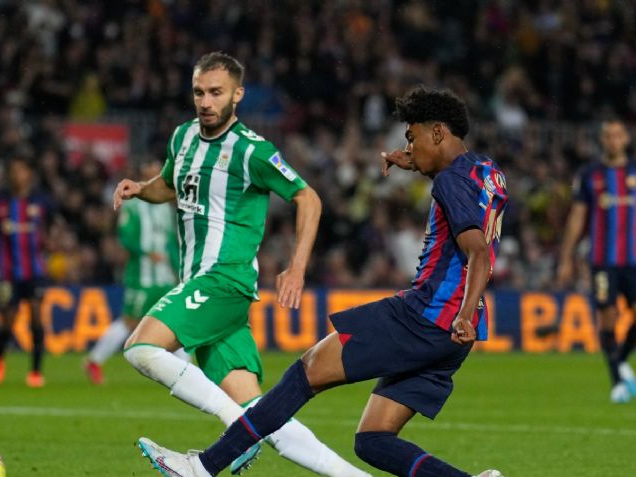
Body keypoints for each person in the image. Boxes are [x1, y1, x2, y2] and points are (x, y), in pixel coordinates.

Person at [132, 87, 507, 477]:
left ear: (438, 133)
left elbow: (477, 251)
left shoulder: (448, 183)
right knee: (373, 440)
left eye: (412, 137)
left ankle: (203, 467)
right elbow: (468, 202)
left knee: (306, 371)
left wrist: (461, 314)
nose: (408, 146)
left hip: (427, 315)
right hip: (453, 336)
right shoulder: (488, 173)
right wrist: (418, 162)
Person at [112, 52, 368, 476]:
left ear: (237, 95)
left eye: (216, 92)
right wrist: (142, 188)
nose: (206, 102)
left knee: (141, 348)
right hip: (201, 283)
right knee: (265, 414)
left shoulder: (252, 151)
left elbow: (309, 197)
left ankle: (232, 430)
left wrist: (297, 266)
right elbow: (172, 184)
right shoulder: (183, 137)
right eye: (199, 92)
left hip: (223, 279)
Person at [557, 119, 636, 403]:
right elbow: (577, 219)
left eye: (617, 135)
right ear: (602, 141)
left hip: (633, 260)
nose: (613, 140)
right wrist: (565, 258)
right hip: (602, 261)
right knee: (608, 319)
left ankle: (621, 361)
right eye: (608, 136)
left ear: (625, 138)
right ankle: (616, 382)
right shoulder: (590, 174)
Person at [84, 161, 181, 385]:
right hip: (141, 275)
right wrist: (147, 253)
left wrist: (179, 270)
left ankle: (185, 372)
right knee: (130, 322)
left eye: (158, 171)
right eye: (150, 172)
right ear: (143, 176)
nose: (156, 175)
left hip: (165, 276)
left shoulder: (165, 207)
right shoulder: (133, 206)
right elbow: (125, 238)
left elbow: (170, 242)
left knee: (175, 322)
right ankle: (94, 361)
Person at [0, 155, 58, 388]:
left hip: (35, 271)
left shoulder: (41, 201)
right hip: (7, 272)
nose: (16, 175)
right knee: (8, 322)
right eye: (13, 170)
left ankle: (35, 371)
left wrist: (51, 243)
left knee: (35, 317)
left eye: (21, 170)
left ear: (29, 174)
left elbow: (54, 226)